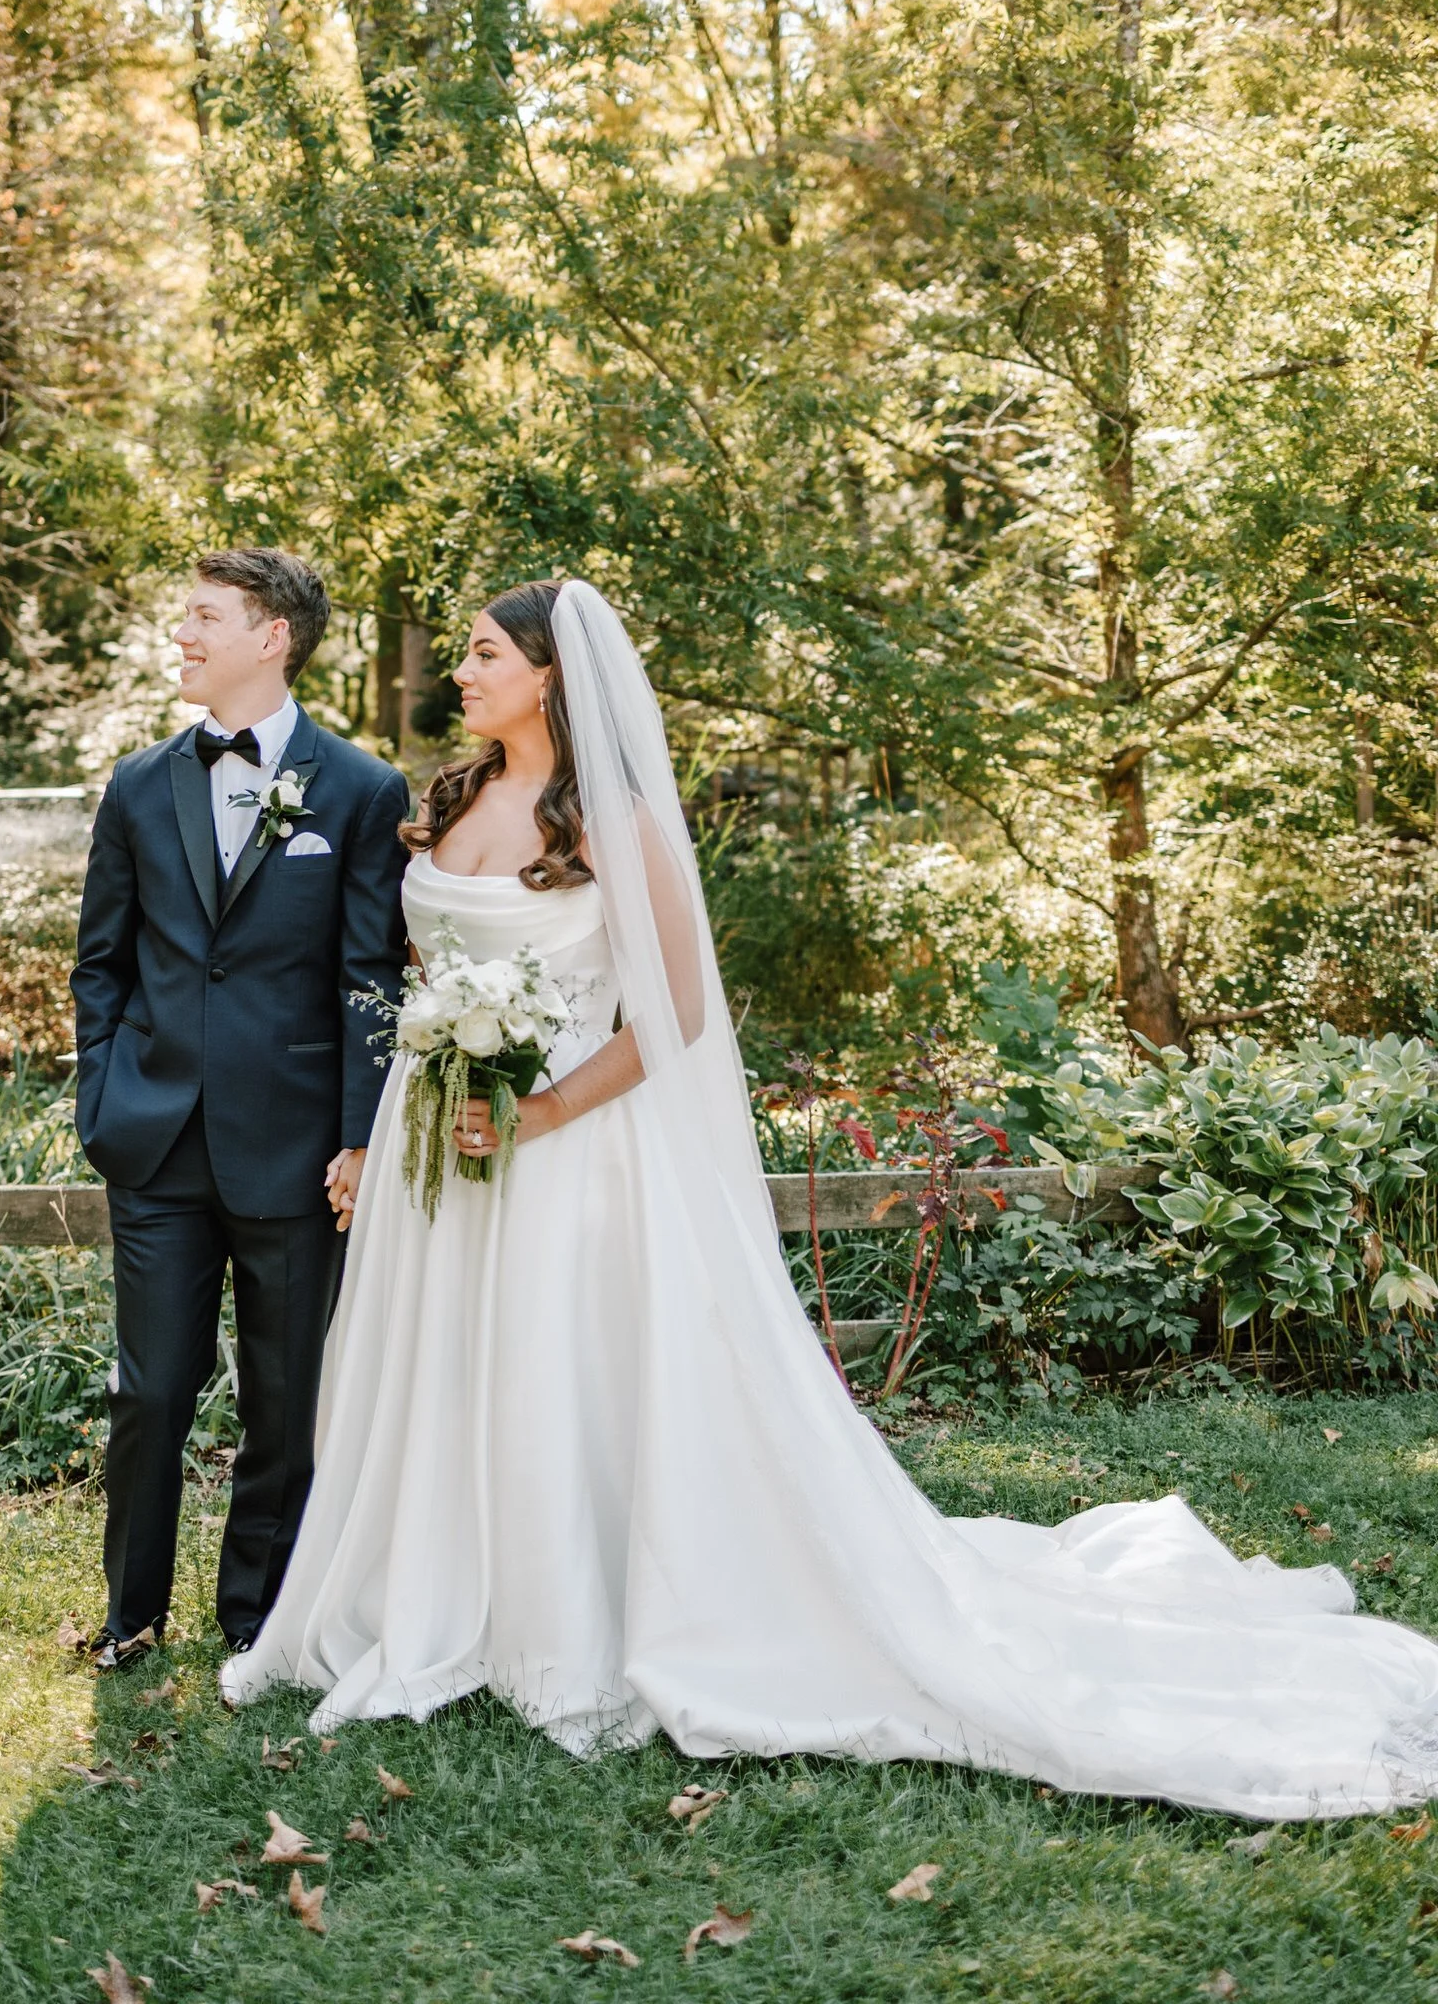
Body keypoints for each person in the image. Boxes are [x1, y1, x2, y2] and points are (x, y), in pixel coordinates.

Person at [219, 575, 1438, 1818]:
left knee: (554, 1370)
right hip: (443, 1148)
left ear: (550, 677)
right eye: (465, 657)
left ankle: (560, 1618)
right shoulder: (457, 798)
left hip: (566, 1152)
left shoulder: (619, 824)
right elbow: (423, 972)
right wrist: (428, 1087)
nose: (459, 675)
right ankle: (431, 1598)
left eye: (482, 655)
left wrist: (533, 1109)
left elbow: (678, 1015)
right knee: (451, 1370)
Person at [71, 546, 409, 1669]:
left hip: (298, 1149)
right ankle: (132, 1615)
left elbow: (371, 975)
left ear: (273, 637)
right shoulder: (136, 784)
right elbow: (100, 965)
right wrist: (101, 1096)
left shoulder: (361, 790)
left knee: (285, 1399)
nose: (183, 634)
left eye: (205, 617)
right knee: (152, 1391)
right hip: (155, 1140)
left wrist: (361, 1134)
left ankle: (256, 1622)